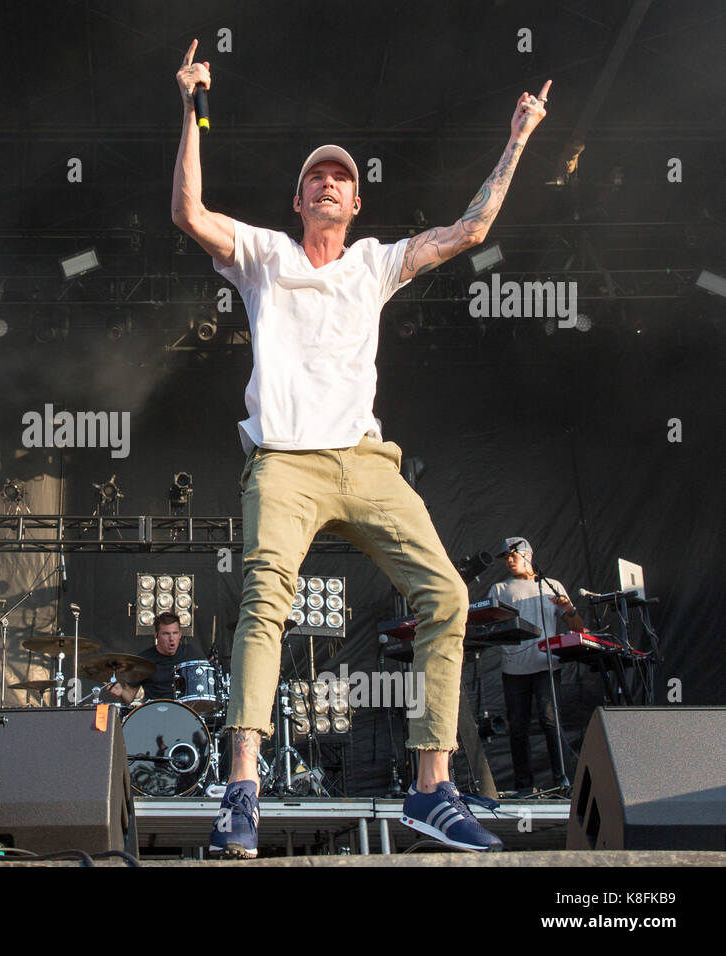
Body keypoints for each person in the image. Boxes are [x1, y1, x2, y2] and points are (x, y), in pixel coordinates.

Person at [170, 38, 552, 856]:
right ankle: (240, 790)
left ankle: (430, 790)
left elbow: (473, 225)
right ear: (299, 199)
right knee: (266, 599)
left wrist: (519, 136)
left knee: (447, 596)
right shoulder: (265, 257)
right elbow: (189, 214)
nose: (330, 183)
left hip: (365, 462)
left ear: (355, 205)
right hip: (284, 462)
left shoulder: (376, 265)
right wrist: (193, 108)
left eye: (342, 177)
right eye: (317, 176)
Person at [488, 537, 582, 795]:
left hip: (546, 666)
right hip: (514, 669)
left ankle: (562, 781)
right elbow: (491, 628)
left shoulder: (551, 586)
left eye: (512, 555)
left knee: (550, 721)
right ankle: (524, 787)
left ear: (528, 555)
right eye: (505, 557)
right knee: (517, 727)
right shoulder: (499, 590)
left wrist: (570, 610)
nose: (508, 561)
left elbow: (577, 629)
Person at [105, 611, 200, 704]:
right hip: (155, 712)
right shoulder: (144, 660)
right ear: (156, 635)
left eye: (175, 633)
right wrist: (121, 693)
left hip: (185, 711)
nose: (171, 638)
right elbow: (129, 697)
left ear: (180, 634)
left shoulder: (189, 653)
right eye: (166, 634)